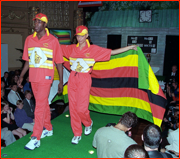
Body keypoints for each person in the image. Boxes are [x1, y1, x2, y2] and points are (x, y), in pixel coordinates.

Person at [61, 25, 137, 144]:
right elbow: (54, 47)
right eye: (78, 36)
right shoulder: (70, 49)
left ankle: (88, 123)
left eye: (82, 35)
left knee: (81, 108)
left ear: (86, 36)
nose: (80, 38)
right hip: (73, 78)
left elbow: (111, 52)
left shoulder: (93, 49)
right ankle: (76, 133)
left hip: (84, 79)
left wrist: (130, 47)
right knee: (72, 108)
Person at [17, 13, 64, 150]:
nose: (35, 24)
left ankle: (35, 137)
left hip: (46, 78)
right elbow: (27, 61)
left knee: (39, 106)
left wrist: (60, 81)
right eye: (35, 22)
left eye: (39, 22)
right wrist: (21, 76)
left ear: (45, 24)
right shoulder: (29, 39)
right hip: (33, 78)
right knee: (42, 105)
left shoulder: (53, 41)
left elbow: (59, 63)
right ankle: (48, 128)